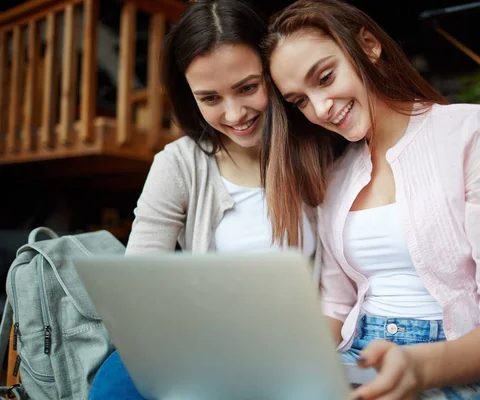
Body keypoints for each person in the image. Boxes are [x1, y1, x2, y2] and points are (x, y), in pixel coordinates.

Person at [261, 0, 480, 399]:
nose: (319, 108)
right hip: (359, 355)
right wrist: (281, 363)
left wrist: (418, 367)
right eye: (299, 100)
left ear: (368, 45)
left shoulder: (473, 133)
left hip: (460, 364)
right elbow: (336, 307)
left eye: (326, 77)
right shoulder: (335, 176)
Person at [88, 1, 318, 398]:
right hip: (194, 341)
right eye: (210, 98)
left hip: (294, 345)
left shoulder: (317, 150)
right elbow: (137, 288)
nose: (235, 113)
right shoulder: (179, 163)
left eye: (248, 87)